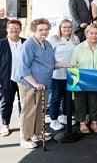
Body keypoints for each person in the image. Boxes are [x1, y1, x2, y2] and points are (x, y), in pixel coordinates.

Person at [15, 18, 55, 149]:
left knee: (40, 110)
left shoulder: (47, 44)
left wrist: (62, 65)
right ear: (34, 30)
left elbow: (49, 63)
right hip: (29, 84)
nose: (44, 32)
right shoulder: (29, 44)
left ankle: (37, 133)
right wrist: (35, 83)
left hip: (44, 84)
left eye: (46, 29)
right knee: (29, 111)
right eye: (40, 30)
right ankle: (25, 138)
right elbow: (23, 68)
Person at [71, 24, 97, 134]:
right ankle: (82, 122)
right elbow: (73, 64)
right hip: (80, 80)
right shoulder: (79, 47)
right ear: (86, 34)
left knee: (94, 102)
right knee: (80, 102)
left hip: (96, 81)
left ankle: (94, 122)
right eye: (91, 33)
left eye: (96, 33)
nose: (94, 35)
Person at [48, 20, 79, 131]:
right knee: (56, 97)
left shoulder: (75, 39)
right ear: (60, 28)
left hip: (71, 74)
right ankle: (53, 120)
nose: (67, 29)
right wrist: (58, 65)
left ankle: (65, 116)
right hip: (57, 74)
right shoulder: (53, 40)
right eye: (64, 27)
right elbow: (48, 57)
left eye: (69, 27)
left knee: (68, 97)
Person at [0, 19, 25, 137]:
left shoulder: (26, 42)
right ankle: (5, 125)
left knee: (23, 102)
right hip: (6, 79)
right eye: (11, 28)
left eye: (17, 28)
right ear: (7, 29)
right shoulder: (2, 43)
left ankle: (22, 121)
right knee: (6, 102)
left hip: (24, 79)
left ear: (20, 29)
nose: (14, 30)